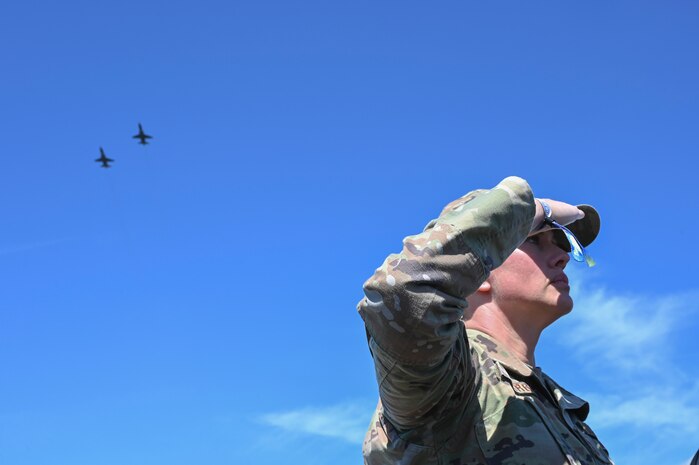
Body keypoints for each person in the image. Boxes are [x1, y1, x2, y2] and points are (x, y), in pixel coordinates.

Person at [357, 176, 614, 465]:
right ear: (477, 266)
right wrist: (532, 209)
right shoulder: (450, 378)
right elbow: (403, 287)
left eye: (561, 244)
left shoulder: (568, 415)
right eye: (534, 240)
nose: (561, 257)